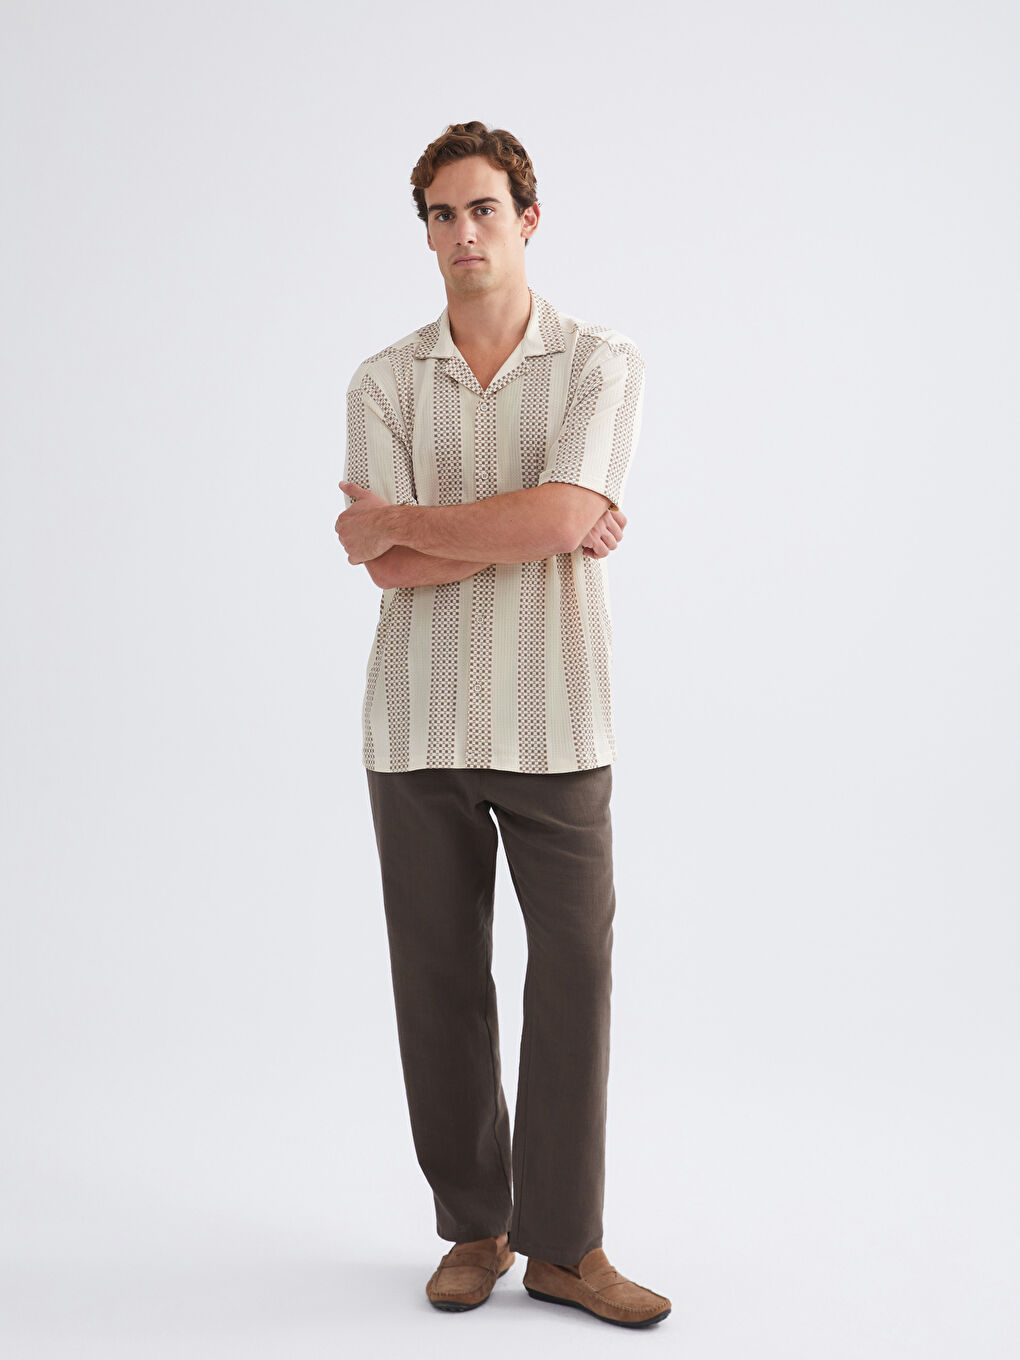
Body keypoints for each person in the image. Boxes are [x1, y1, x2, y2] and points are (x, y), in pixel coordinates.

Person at [334, 120, 670, 1329]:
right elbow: (387, 569)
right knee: (438, 981)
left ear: (528, 219)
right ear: (426, 232)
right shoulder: (384, 381)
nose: (463, 232)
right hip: (416, 722)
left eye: (483, 209)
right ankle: (474, 1229)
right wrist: (535, 521)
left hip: (556, 717)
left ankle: (567, 1247)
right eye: (442, 214)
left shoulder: (598, 363)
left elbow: (535, 519)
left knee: (574, 973)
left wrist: (425, 522)